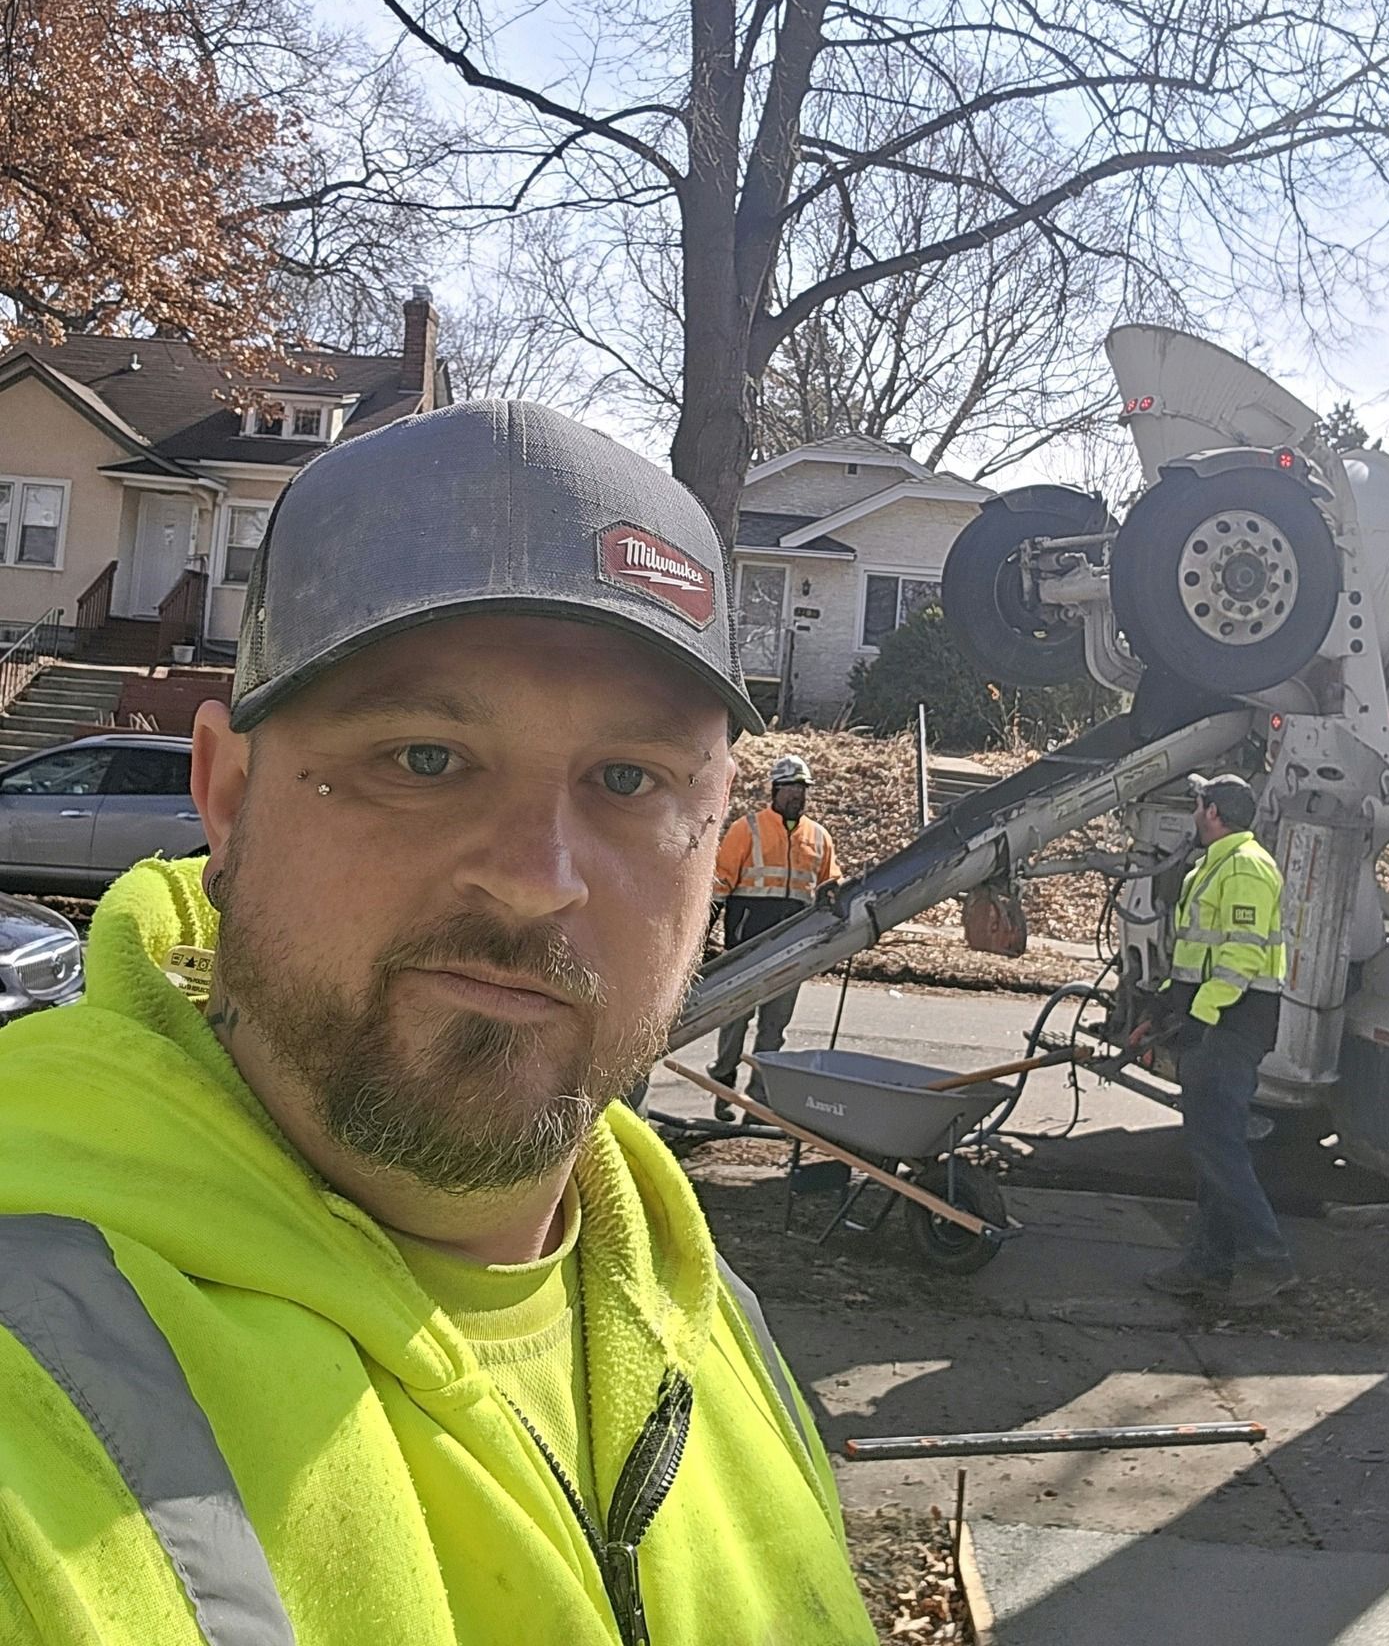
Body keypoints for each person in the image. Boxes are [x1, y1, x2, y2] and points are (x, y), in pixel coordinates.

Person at [0, 401, 875, 1646]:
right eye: (423, 756)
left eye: (629, 779)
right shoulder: (33, 1370)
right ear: (229, 796)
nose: (535, 876)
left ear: (714, 824)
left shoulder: (705, 1314)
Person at [1143, 772, 1296, 1307]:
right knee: (1211, 1148)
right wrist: (1165, 1006)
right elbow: (1198, 955)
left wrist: (1202, 1016)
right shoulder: (1217, 865)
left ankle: (1267, 1259)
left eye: (1198, 804)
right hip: (1216, 1023)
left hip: (1233, 1026)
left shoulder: (1248, 867)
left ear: (1212, 812)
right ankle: (1209, 1262)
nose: (1193, 812)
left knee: (1221, 1150)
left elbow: (1241, 955)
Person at [706, 755, 841, 1115]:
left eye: (803, 789)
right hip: (748, 946)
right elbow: (720, 885)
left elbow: (830, 888)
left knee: (774, 1028)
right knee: (735, 1021)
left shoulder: (819, 837)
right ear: (776, 790)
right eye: (793, 788)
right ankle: (722, 1088)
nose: (799, 795)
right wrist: (705, 936)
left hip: (792, 949)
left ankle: (758, 1101)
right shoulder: (746, 829)